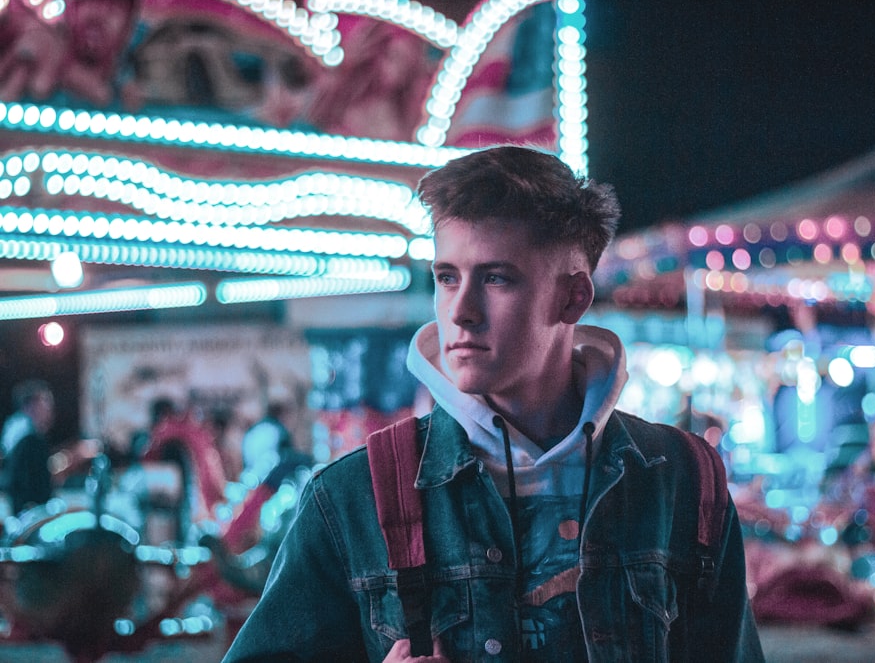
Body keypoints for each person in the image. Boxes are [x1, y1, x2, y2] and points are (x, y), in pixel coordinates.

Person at [223, 146, 763, 661]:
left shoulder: (682, 479)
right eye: (446, 277)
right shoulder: (351, 498)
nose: (460, 311)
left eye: (497, 278)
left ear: (572, 296)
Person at [1, 379, 56, 515]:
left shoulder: (16, 427)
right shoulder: (27, 436)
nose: (49, 407)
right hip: (29, 509)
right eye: (45, 401)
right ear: (31, 405)